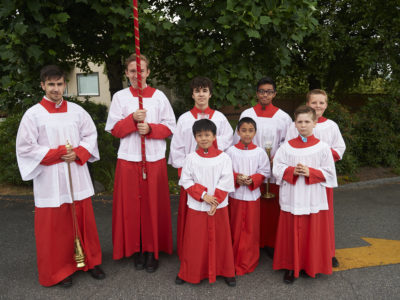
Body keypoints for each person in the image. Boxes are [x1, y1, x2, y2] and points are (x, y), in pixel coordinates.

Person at [16, 65, 105, 287]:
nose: (56, 89)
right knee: (55, 227)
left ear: (65, 84)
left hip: (76, 172)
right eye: (51, 84)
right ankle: (60, 270)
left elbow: (90, 135)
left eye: (59, 84)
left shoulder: (77, 111)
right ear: (42, 85)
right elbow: (26, 148)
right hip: (50, 178)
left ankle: (90, 261)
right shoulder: (33, 115)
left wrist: (78, 152)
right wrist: (58, 153)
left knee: (83, 219)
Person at [105, 54, 176, 272]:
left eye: (141, 70)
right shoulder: (120, 97)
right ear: (127, 73)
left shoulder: (159, 97)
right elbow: (114, 129)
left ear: (148, 72)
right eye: (133, 71)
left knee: (152, 205)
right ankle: (136, 248)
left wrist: (151, 129)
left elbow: (171, 126)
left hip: (153, 159)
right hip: (129, 159)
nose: (137, 75)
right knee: (132, 206)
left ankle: (152, 250)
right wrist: (132, 120)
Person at [168, 76, 233, 260]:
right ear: (192, 95)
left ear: (210, 94)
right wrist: (185, 175)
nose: (201, 94)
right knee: (193, 222)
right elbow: (177, 148)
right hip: (193, 178)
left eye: (204, 90)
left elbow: (228, 144)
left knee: (216, 219)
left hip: (214, 174)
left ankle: (217, 258)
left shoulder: (219, 118)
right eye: (197, 91)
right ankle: (191, 256)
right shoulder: (184, 119)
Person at [272, 105, 337, 284]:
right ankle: (291, 267)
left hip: (312, 197)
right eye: (299, 122)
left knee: (311, 233)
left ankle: (311, 266)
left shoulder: (323, 148)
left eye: (307, 121)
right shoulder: (286, 147)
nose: (303, 125)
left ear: (315, 123)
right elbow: (277, 168)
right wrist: (293, 170)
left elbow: (331, 174)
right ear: (295, 124)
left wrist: (310, 172)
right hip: (293, 196)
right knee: (292, 233)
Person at [285, 89, 346, 267]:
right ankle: (303, 253)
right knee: (302, 217)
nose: (317, 106)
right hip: (299, 177)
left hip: (320, 177)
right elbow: (288, 147)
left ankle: (327, 253)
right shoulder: (295, 124)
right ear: (307, 103)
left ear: (326, 105)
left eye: (321, 103)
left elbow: (339, 149)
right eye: (314, 103)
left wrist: (320, 159)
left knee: (323, 217)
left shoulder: (331, 126)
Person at [233, 77, 292, 257]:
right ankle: (253, 240)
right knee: (252, 207)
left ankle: (271, 241)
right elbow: (239, 140)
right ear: (256, 93)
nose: (265, 95)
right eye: (261, 91)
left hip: (273, 167)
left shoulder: (283, 117)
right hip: (250, 167)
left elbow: (287, 143)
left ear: (274, 94)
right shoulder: (247, 114)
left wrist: (276, 157)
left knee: (271, 206)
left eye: (269, 91)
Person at [176, 119, 236, 286]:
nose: (204, 138)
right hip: (198, 205)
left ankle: (226, 271)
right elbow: (186, 180)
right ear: (195, 137)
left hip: (218, 205)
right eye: (199, 135)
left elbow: (226, 180)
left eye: (207, 135)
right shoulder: (190, 158)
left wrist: (214, 200)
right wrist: (203, 195)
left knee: (221, 239)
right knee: (195, 240)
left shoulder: (224, 158)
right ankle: (189, 272)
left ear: (214, 136)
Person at [226, 117, 270, 275]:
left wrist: (253, 179)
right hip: (235, 196)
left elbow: (265, 171)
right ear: (237, 132)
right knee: (234, 228)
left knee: (250, 229)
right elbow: (224, 171)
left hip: (252, 196)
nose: (247, 134)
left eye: (250, 130)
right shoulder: (230, 151)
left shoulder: (260, 152)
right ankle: (232, 259)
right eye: (243, 130)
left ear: (255, 132)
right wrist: (236, 177)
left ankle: (248, 260)